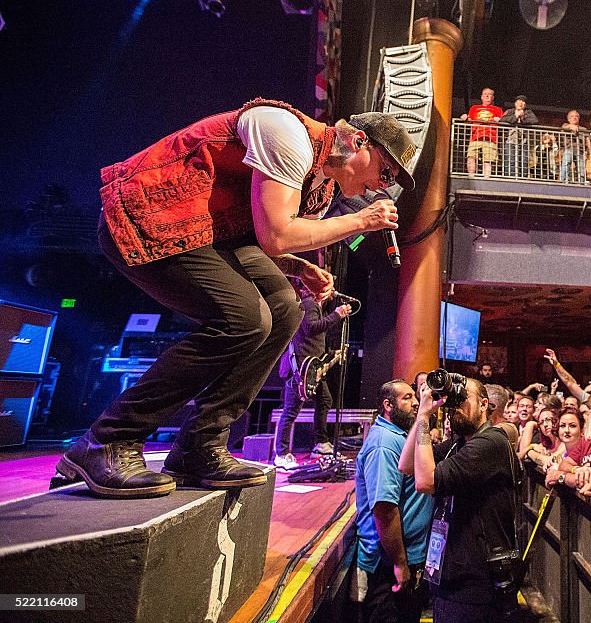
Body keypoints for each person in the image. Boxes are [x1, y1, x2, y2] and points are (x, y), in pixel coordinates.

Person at [57, 100, 412, 498]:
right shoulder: (287, 132)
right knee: (245, 317)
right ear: (359, 142)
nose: (383, 186)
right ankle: (107, 439)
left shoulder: (321, 186)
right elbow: (276, 235)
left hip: (210, 238)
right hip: (152, 215)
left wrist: (302, 269)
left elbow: (267, 239)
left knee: (284, 308)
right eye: (386, 171)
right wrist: (362, 221)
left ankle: (199, 445)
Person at [399, 377, 523, 621]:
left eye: (462, 398)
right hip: (448, 577)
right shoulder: (459, 443)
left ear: (484, 404)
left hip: (476, 585)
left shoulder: (491, 442)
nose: (455, 404)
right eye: (453, 400)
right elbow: (406, 464)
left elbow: (425, 482)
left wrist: (424, 417)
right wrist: (424, 415)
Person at [355, 380, 432, 623]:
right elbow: (385, 509)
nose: (416, 402)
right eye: (407, 398)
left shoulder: (398, 436)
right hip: (389, 567)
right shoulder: (384, 445)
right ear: (388, 405)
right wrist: (400, 563)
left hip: (406, 558)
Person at [273, 280, 352, 470]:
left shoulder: (315, 306)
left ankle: (321, 443)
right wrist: (337, 315)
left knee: (324, 400)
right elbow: (311, 327)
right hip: (300, 369)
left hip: (312, 368)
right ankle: (281, 453)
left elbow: (313, 337)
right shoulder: (309, 303)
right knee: (291, 410)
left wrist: (331, 355)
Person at [460, 88, 502, 177]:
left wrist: (500, 120)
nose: (487, 96)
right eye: (485, 94)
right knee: (471, 157)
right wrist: (464, 117)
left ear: (492, 97)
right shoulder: (474, 108)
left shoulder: (497, 109)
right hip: (475, 136)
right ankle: (471, 177)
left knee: (488, 160)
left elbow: (503, 122)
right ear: (481, 97)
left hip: (491, 138)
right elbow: (469, 119)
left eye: (489, 94)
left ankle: (487, 178)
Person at [499, 95, 538, 177]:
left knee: (524, 161)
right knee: (510, 160)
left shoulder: (528, 112)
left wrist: (523, 117)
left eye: (523, 102)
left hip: (523, 141)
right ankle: (510, 178)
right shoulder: (510, 111)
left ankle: (523, 178)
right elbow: (502, 120)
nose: (521, 103)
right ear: (515, 103)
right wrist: (515, 116)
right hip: (510, 140)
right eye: (519, 101)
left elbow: (535, 121)